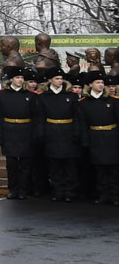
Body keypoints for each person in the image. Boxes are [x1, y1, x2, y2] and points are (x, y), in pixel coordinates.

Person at [0, 71, 40, 199]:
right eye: (17, 77)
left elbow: (36, 117)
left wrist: (35, 134)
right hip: (9, 131)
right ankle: (13, 189)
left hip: (26, 131)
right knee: (11, 164)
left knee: (25, 164)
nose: (20, 80)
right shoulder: (2, 94)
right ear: (11, 79)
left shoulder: (30, 95)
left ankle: (24, 190)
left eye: (22, 78)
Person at [34, 73, 81, 202]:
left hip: (68, 132)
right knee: (54, 165)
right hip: (52, 132)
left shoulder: (71, 96)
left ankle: (70, 192)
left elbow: (77, 117)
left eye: (61, 79)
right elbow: (41, 117)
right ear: (50, 80)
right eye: (57, 79)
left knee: (69, 164)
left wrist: (77, 132)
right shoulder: (44, 97)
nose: (60, 81)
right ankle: (58, 191)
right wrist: (41, 133)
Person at [79, 74, 119, 205]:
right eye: (97, 82)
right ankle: (103, 194)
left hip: (112, 137)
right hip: (95, 136)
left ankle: (115, 195)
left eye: (102, 82)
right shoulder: (84, 103)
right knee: (99, 168)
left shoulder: (112, 101)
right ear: (90, 85)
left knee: (113, 168)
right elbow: (83, 124)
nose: (101, 85)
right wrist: (85, 141)